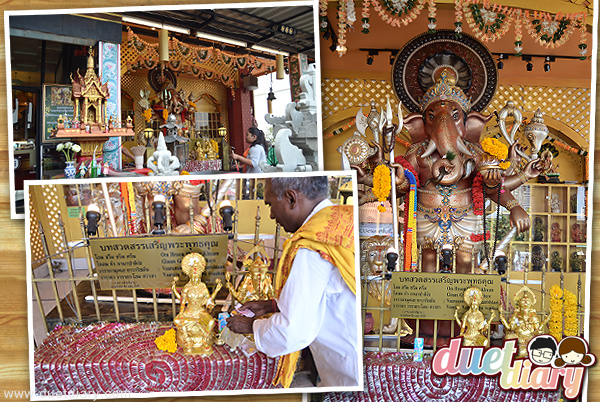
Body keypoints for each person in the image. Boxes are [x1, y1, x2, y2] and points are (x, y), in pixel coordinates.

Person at [226, 177, 360, 388]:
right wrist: (273, 305)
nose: (270, 214)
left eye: (270, 204)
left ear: (290, 198)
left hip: (346, 371)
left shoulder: (312, 247)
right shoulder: (343, 220)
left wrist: (252, 325)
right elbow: (328, 293)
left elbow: (293, 331)